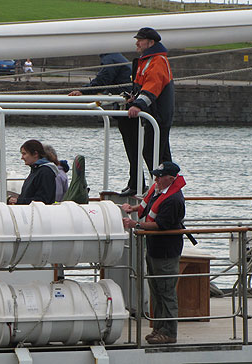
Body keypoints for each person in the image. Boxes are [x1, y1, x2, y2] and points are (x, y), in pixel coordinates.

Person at [121, 161, 186, 345]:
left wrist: (136, 224)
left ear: (170, 179)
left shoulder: (173, 200)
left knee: (166, 291)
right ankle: (159, 329)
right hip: (155, 250)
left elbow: (160, 226)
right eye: (155, 175)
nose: (156, 179)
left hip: (165, 252)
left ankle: (169, 332)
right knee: (157, 290)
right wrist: (133, 209)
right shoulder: (159, 192)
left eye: (159, 176)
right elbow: (148, 209)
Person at [68, 53, 139, 196]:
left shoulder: (110, 58)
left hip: (128, 109)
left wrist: (84, 90)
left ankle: (136, 184)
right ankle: (136, 183)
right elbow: (111, 82)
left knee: (133, 148)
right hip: (126, 105)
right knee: (134, 148)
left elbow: (104, 79)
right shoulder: (116, 57)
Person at [127, 27, 175, 193]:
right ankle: (168, 189)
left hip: (158, 117)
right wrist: (134, 98)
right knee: (162, 156)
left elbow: (153, 88)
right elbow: (144, 87)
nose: (137, 43)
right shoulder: (148, 60)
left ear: (151, 42)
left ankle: (164, 189)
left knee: (152, 153)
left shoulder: (157, 61)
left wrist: (137, 105)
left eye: (140, 40)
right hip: (154, 116)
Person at [8, 139, 57, 205]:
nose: (22, 158)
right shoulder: (35, 170)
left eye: (24, 154)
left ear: (35, 154)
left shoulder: (45, 172)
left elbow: (44, 200)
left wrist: (18, 201)